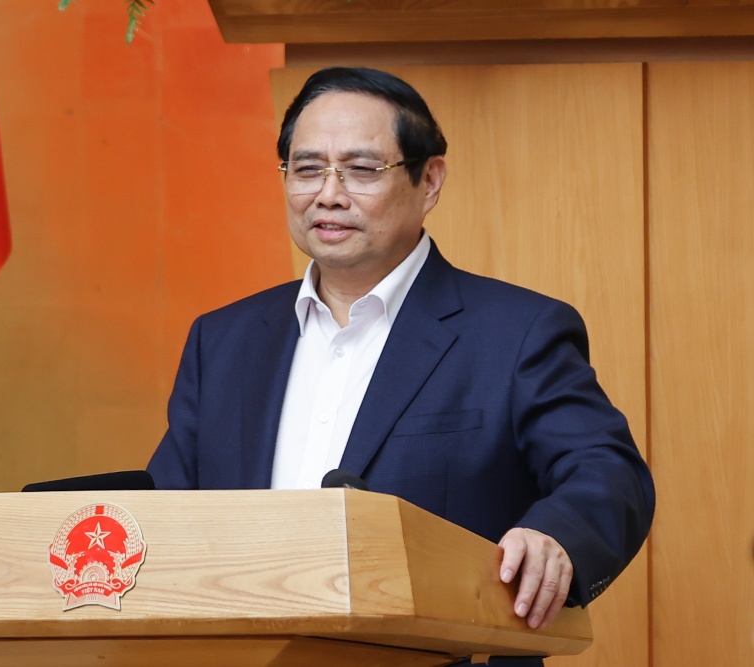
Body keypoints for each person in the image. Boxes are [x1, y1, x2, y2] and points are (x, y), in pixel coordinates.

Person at [147, 67, 655, 666]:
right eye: (306, 169)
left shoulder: (516, 333)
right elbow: (163, 515)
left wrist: (556, 537)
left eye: (361, 170)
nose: (328, 194)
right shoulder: (223, 341)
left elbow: (607, 472)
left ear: (429, 180)